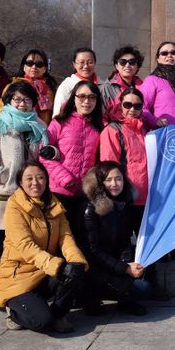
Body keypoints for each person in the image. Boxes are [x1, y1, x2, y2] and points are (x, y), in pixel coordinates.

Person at [0, 81, 49, 309]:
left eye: (27, 100)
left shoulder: (39, 126)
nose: (22, 104)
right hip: (2, 197)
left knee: (24, 246)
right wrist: (2, 175)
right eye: (17, 99)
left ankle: (22, 291)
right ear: (8, 101)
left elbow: (44, 157)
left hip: (29, 199)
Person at [0, 162, 88, 333]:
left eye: (40, 178)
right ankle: (13, 311)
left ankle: (58, 315)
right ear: (20, 182)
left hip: (43, 272)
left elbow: (66, 237)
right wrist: (58, 266)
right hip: (18, 278)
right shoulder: (14, 206)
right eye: (29, 179)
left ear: (46, 180)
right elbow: (25, 246)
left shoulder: (54, 204)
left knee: (75, 271)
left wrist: (76, 262)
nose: (35, 183)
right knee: (42, 323)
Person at [100, 87, 175, 262]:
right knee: (124, 250)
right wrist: (116, 195)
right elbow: (109, 167)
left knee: (147, 250)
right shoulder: (113, 130)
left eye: (137, 106)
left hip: (147, 197)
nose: (132, 109)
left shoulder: (145, 128)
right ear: (120, 105)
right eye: (127, 105)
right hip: (125, 197)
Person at [81, 162, 148, 315]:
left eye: (118, 179)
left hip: (114, 262)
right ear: (100, 182)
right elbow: (93, 251)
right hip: (95, 267)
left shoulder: (122, 203)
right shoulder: (90, 209)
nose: (114, 184)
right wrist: (125, 269)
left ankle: (125, 300)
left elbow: (124, 241)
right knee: (140, 289)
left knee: (144, 285)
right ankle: (89, 296)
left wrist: (129, 264)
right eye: (109, 180)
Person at [40, 81, 103, 238]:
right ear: (73, 98)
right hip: (59, 190)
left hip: (84, 193)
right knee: (58, 237)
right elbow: (43, 154)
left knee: (79, 237)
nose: (86, 101)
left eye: (92, 97)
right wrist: (64, 178)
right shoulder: (60, 122)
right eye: (82, 96)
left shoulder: (98, 126)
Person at [99, 44, 175, 126]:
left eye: (132, 62)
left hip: (139, 132)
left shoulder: (143, 86)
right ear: (116, 66)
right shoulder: (107, 88)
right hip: (117, 132)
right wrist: (111, 131)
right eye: (123, 62)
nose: (127, 65)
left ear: (138, 66)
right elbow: (101, 117)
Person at [0, 49, 58, 123]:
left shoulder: (49, 90)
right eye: (30, 63)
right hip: (15, 127)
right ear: (24, 67)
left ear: (45, 69)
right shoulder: (13, 86)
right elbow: (1, 110)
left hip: (41, 128)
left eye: (39, 64)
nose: (34, 67)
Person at [53, 47, 98, 114]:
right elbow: (58, 112)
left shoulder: (102, 86)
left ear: (95, 63)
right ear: (74, 64)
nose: (86, 66)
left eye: (90, 62)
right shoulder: (67, 85)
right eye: (81, 62)